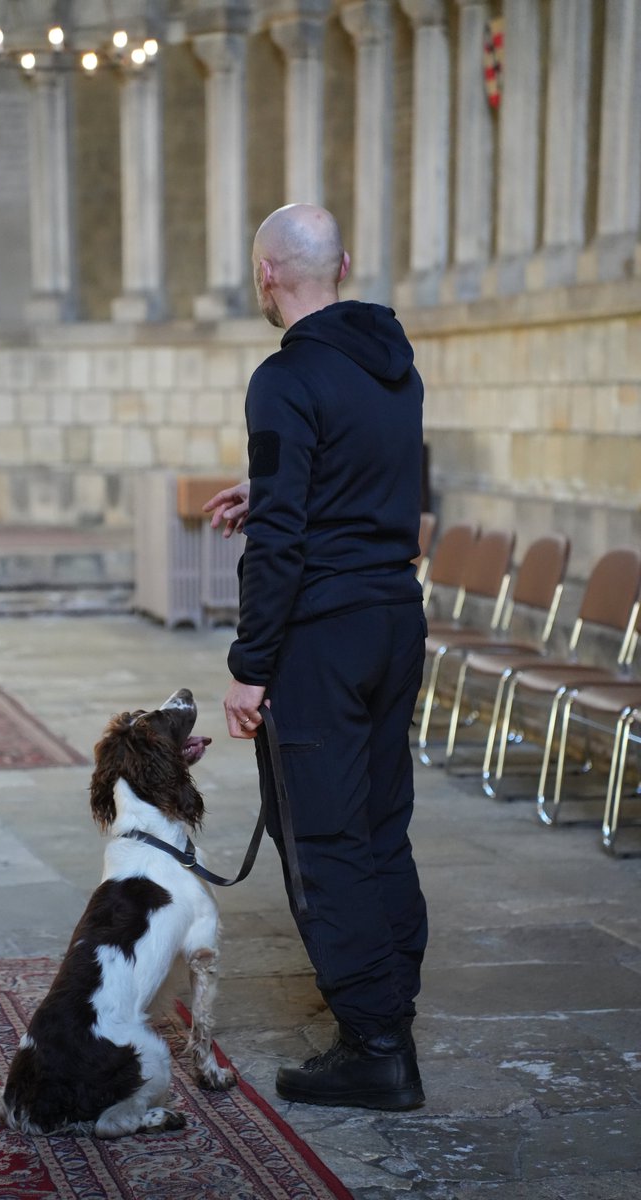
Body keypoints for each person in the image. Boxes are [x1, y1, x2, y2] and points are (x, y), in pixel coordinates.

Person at [204, 204, 428, 1111]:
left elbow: (285, 543)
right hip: (391, 617)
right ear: (344, 263)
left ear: (266, 275)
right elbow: (367, 475)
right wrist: (271, 486)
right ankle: (391, 1013)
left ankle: (376, 1049)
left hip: (321, 640)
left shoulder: (283, 378)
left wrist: (250, 663)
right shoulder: (395, 366)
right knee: (379, 827)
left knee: (326, 841)